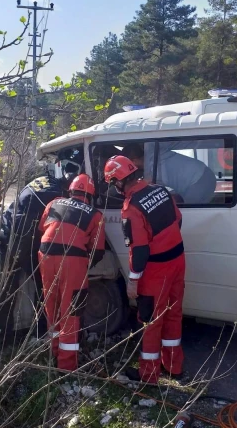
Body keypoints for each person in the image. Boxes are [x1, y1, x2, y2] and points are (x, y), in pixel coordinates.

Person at [104, 155, 185, 383]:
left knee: (149, 320)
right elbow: (178, 220)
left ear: (119, 181)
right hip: (178, 260)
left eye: (113, 183)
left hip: (156, 270)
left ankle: (148, 374)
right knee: (173, 313)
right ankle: (173, 366)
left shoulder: (131, 209)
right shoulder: (160, 190)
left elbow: (139, 250)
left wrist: (133, 280)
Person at [0, 148, 82, 334]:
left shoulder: (43, 181)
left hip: (8, 233)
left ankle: (1, 338)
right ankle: (41, 333)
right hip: (22, 239)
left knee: (7, 289)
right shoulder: (57, 194)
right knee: (44, 286)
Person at [37, 173, 106, 371]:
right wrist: (84, 266)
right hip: (73, 261)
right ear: (90, 195)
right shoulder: (95, 215)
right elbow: (97, 251)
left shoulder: (54, 203)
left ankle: (53, 352)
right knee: (71, 311)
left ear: (70, 190)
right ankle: (66, 366)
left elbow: (43, 228)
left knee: (52, 305)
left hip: (46, 254)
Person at [123, 143, 216, 204]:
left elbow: (148, 193)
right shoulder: (153, 152)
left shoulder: (152, 169)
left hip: (199, 180)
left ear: (134, 161)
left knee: (187, 213)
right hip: (203, 173)